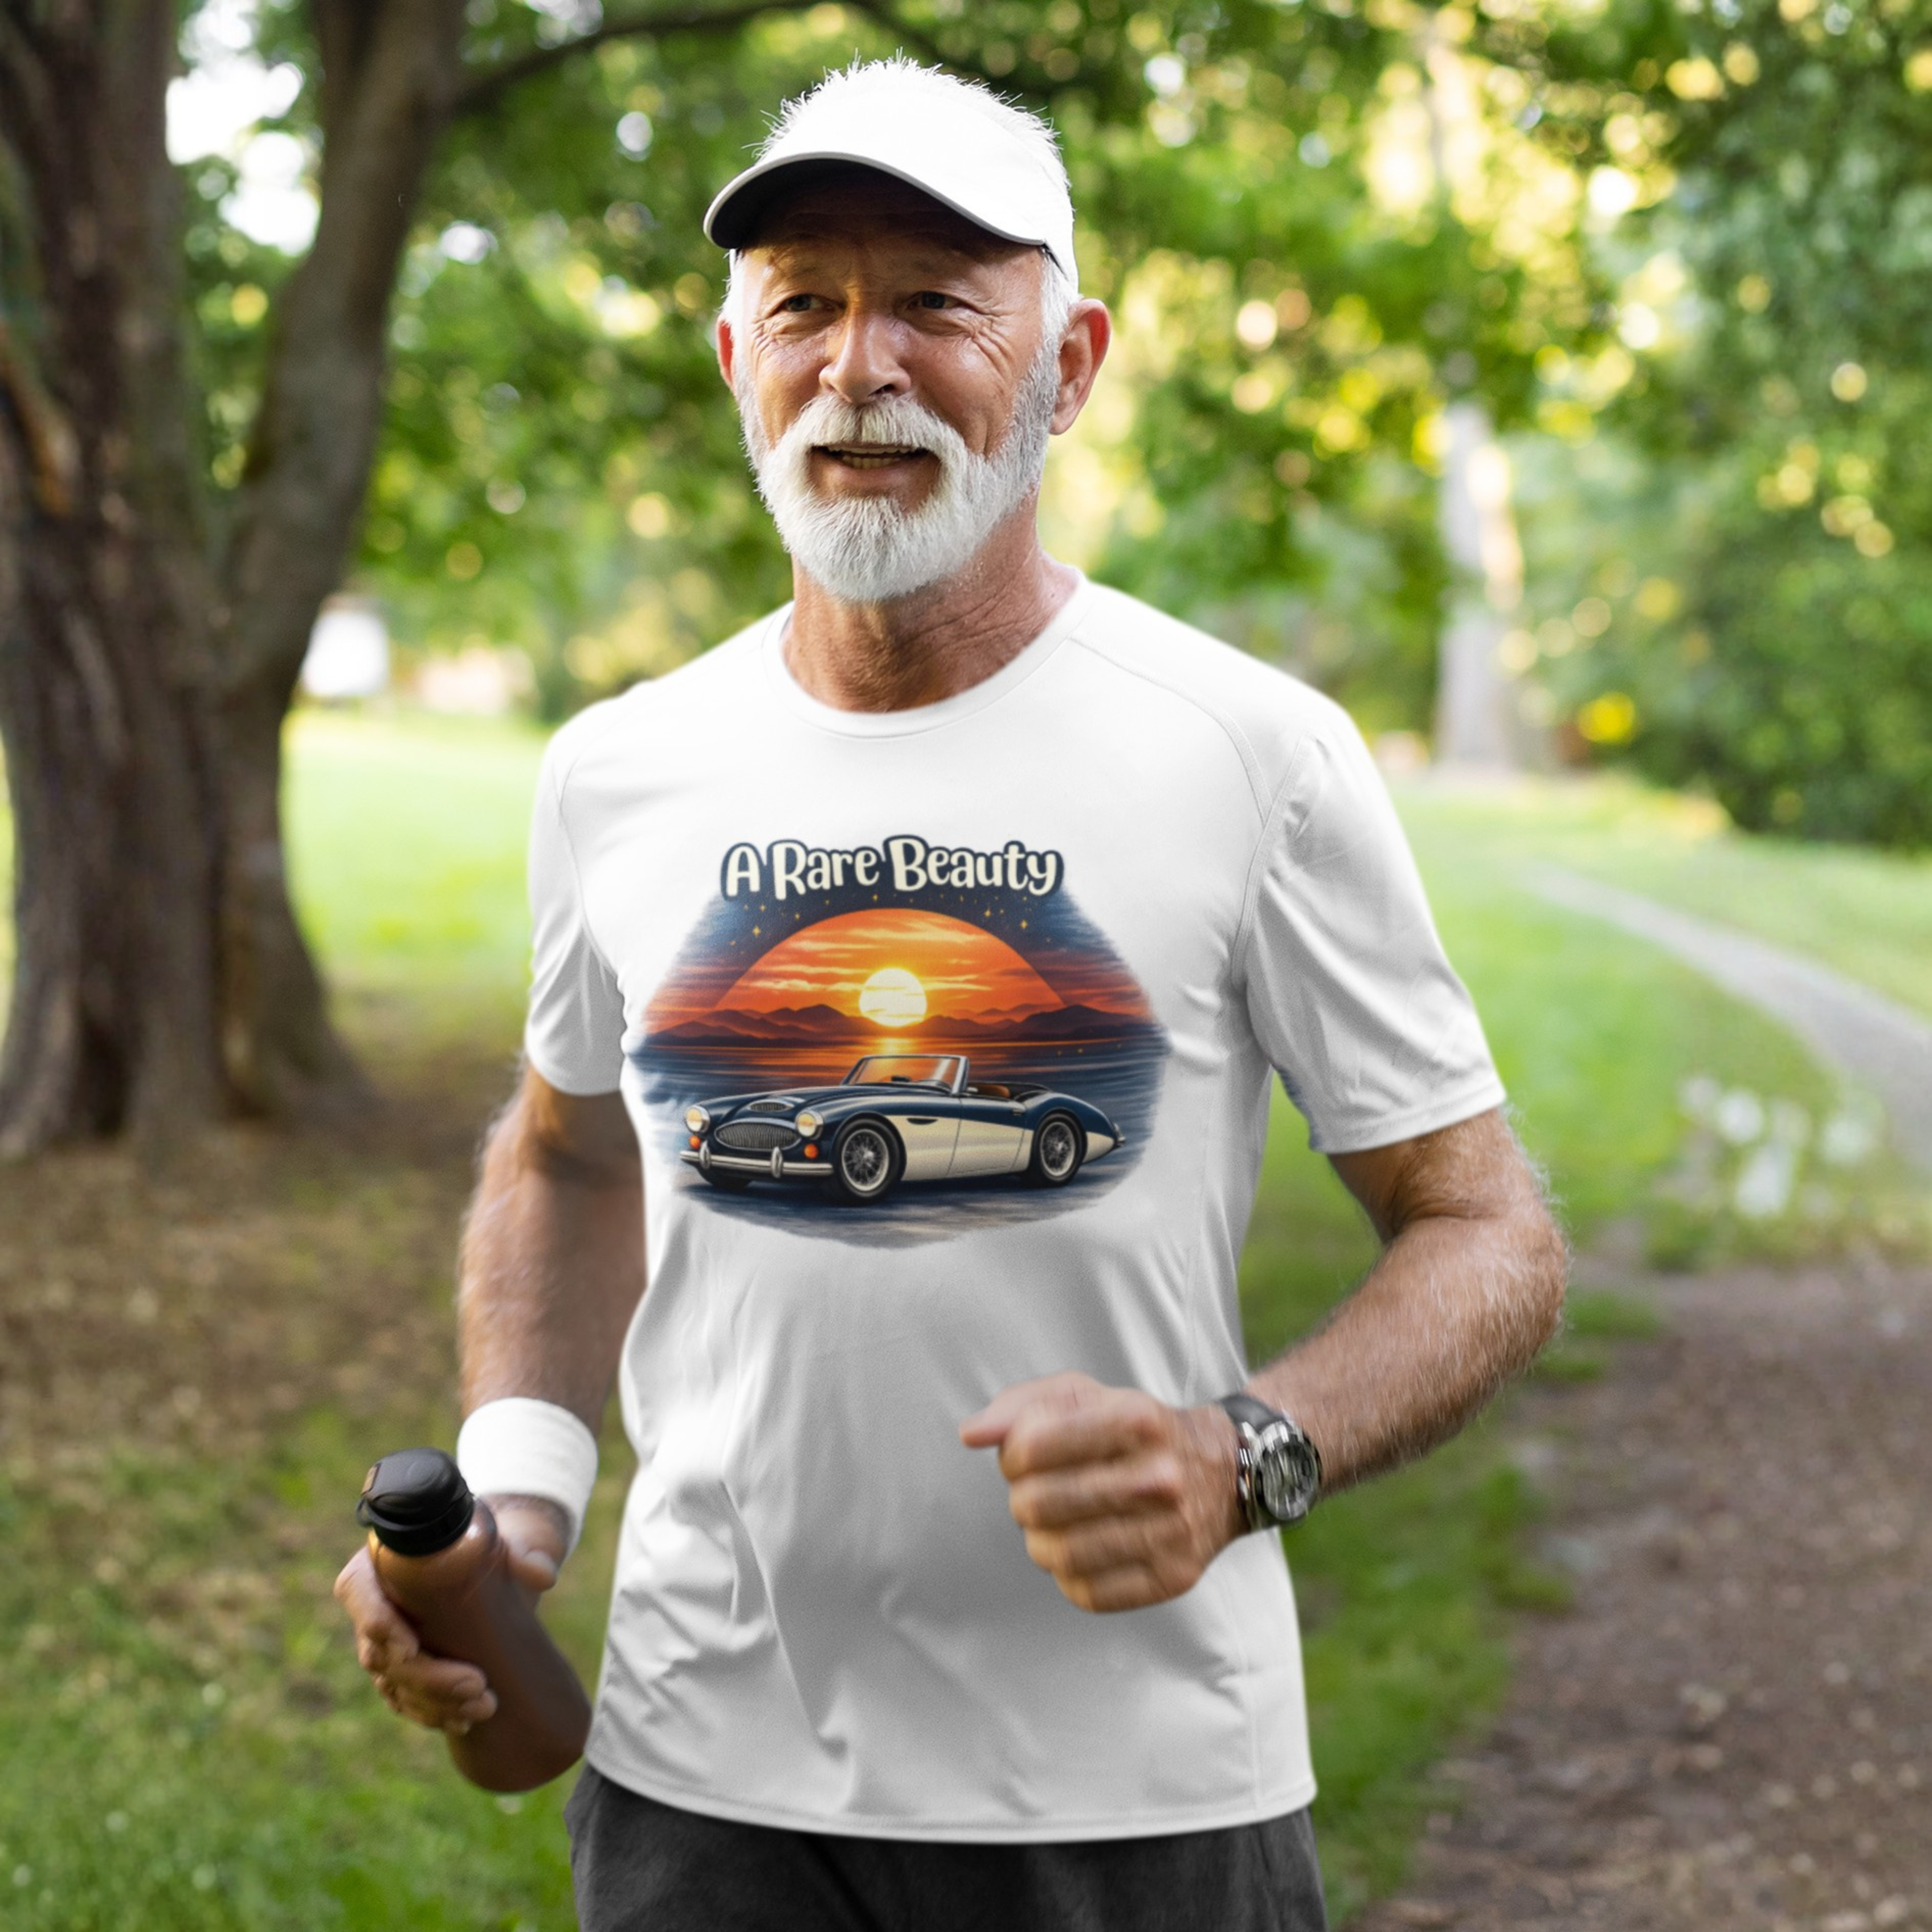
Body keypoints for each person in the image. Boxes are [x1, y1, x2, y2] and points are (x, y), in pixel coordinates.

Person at [335, 57, 1566, 1932]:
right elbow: (571, 1161)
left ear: (1066, 365)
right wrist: (511, 1508)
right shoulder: (617, 769)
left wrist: (1249, 1452)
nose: (862, 367)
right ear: (734, 353)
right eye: (807, 305)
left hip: (1141, 1797)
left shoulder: (1252, 754)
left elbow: (1485, 1229)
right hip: (698, 1790)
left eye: (934, 303)